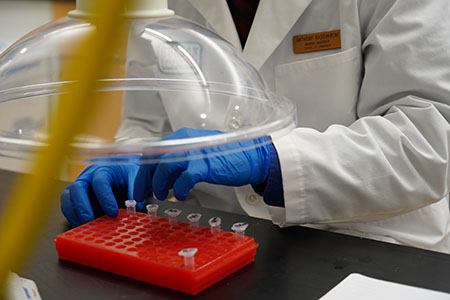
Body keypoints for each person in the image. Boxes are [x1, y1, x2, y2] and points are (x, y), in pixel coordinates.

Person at [61, 0, 450, 253]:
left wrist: (272, 160)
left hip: (369, 246)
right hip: (214, 243)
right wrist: (130, 159)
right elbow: (147, 121)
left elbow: (426, 141)